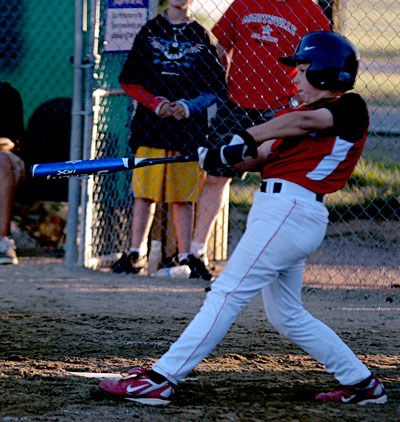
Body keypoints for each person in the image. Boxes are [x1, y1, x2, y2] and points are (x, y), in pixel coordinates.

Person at [98, 31, 388, 406]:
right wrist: (217, 157)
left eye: (302, 69)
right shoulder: (296, 115)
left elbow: (287, 128)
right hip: (280, 214)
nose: (294, 77)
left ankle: (161, 379)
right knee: (287, 315)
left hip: (291, 213)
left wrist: (241, 136)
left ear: (324, 73)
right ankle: (362, 383)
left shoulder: (348, 108)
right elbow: (260, 155)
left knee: (226, 293)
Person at [190, 0, 330, 270]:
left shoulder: (308, 9)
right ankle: (196, 253)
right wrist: (218, 81)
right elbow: (219, 48)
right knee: (216, 176)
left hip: (281, 107)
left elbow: (323, 56)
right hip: (236, 103)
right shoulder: (244, 3)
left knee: (278, 179)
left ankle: (278, 255)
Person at [111, 0, 226, 278]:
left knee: (182, 197)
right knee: (144, 194)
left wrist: (189, 106)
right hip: (151, 127)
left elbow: (216, 87)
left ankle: (185, 255)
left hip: (186, 131)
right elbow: (129, 81)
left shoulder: (201, 34)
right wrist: (155, 103)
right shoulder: (150, 31)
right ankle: (135, 252)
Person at [0, 82, 25, 265]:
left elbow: (9, 142)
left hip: (6, 159)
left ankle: (2, 241)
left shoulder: (6, 93)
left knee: (1, 162)